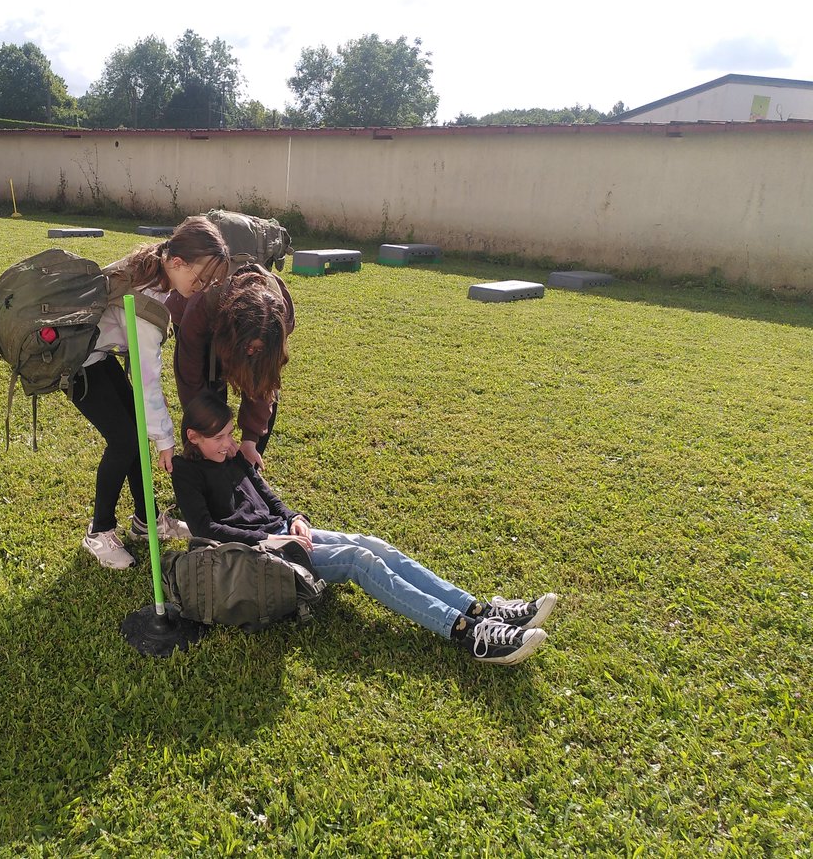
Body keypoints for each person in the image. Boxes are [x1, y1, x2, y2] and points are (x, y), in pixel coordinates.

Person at [172, 392, 557, 665]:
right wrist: (270, 539)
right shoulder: (187, 472)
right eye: (219, 438)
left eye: (229, 434)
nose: (229, 444)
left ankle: (482, 609)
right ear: (194, 437)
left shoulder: (235, 456)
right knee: (360, 560)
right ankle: (468, 633)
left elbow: (266, 494)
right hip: (265, 554)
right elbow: (206, 528)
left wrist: (294, 518)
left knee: (375, 545)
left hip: (287, 534)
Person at [73, 217, 230, 570]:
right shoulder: (149, 302)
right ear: (176, 263)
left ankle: (147, 522)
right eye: (200, 278)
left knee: (131, 434)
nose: (203, 286)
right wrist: (166, 440)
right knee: (125, 441)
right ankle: (98, 532)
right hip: (77, 365)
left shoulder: (151, 267)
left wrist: (155, 434)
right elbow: (148, 382)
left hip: (96, 357)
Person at [169, 260, 294, 470]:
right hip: (205, 324)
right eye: (248, 347)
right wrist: (209, 430)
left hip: (231, 333)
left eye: (258, 349)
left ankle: (245, 468)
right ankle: (203, 473)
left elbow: (263, 384)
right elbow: (190, 381)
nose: (251, 354)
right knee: (211, 395)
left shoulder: (280, 320)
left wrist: (250, 440)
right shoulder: (202, 306)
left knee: (266, 392)